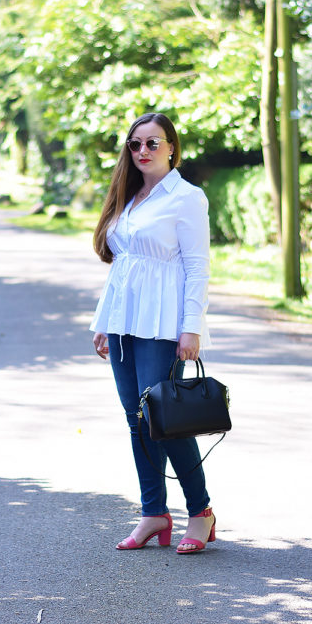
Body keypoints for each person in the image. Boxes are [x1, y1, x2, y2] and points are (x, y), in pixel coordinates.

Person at [90, 112, 217, 555]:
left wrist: (191, 328)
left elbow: (197, 266)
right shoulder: (130, 197)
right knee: (135, 419)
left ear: (171, 148)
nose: (142, 151)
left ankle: (200, 513)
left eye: (152, 143)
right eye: (135, 144)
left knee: (161, 418)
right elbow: (122, 266)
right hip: (125, 322)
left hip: (164, 323)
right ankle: (153, 513)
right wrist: (106, 321)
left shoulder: (186, 198)